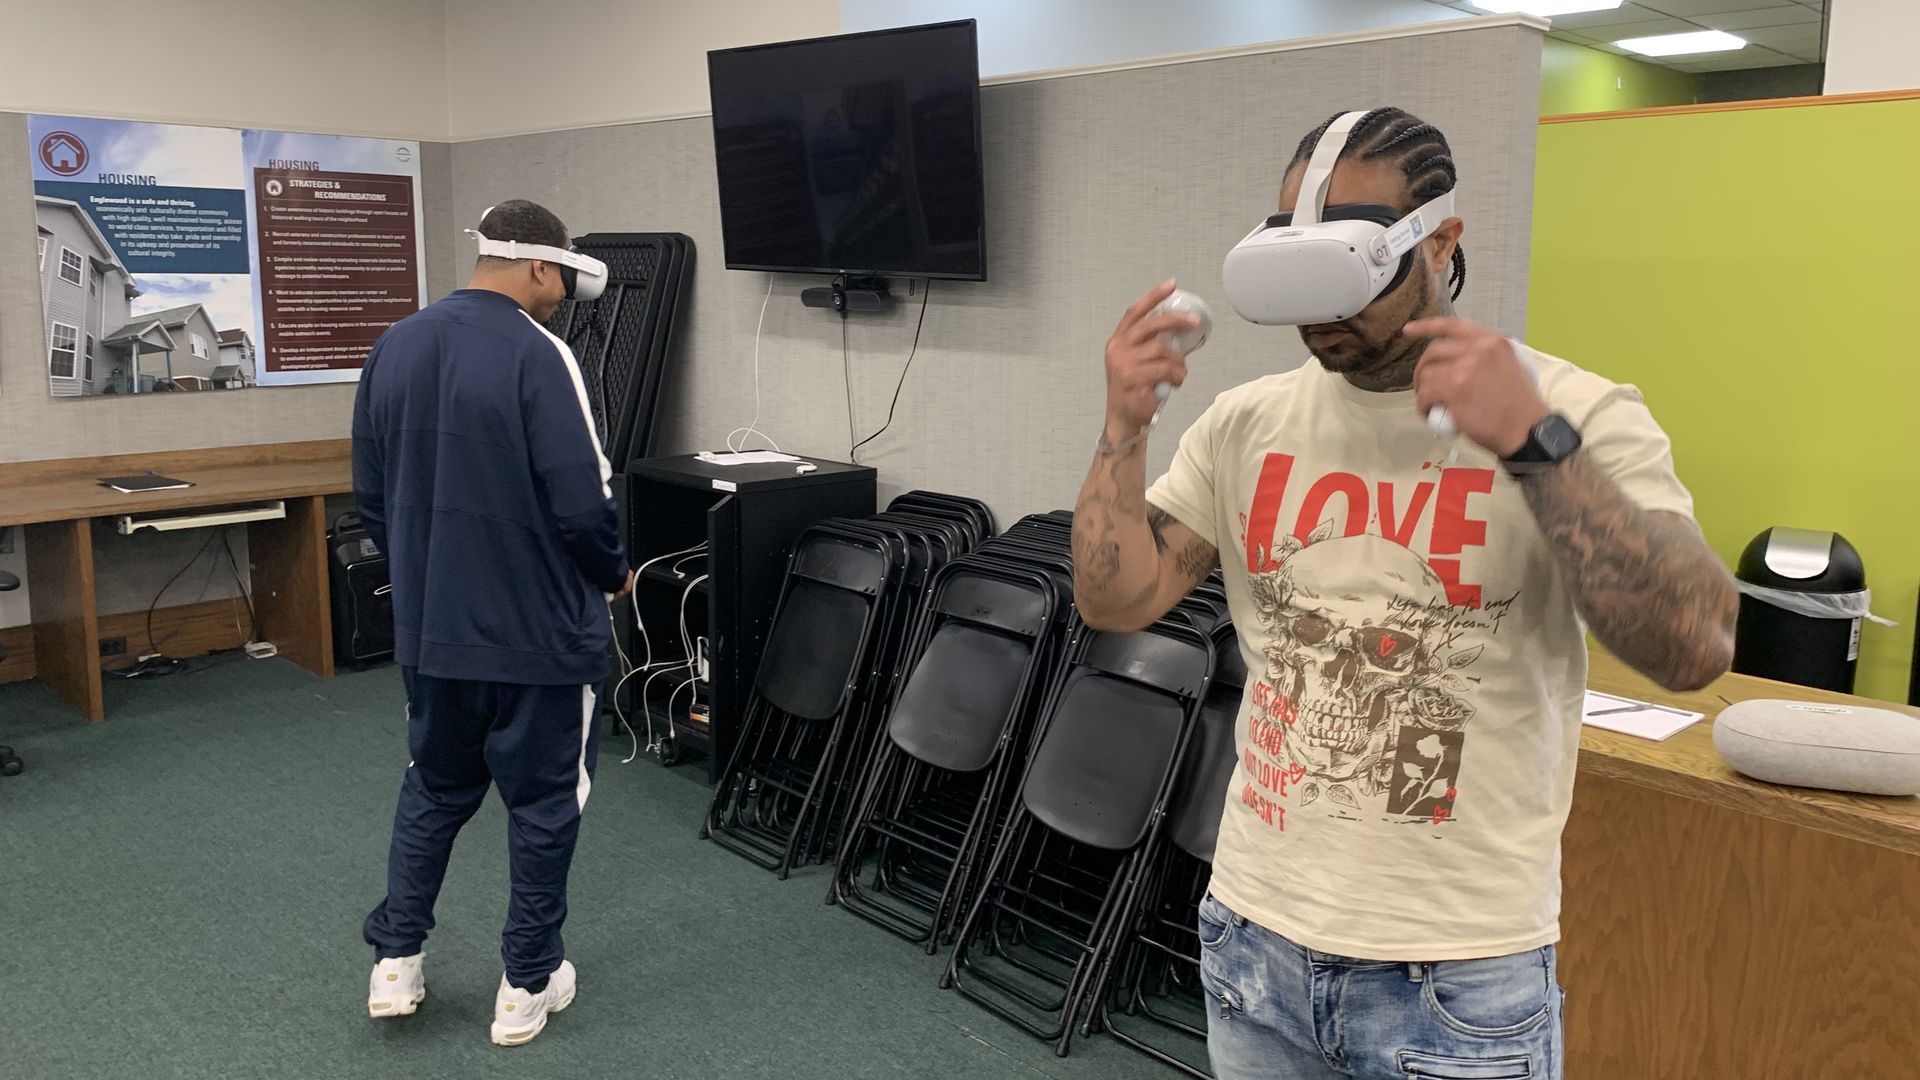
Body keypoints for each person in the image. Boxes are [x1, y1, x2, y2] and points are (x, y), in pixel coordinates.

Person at [1071, 107, 1737, 1079]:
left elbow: (1695, 645)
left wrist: (1532, 444)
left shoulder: (1576, 411)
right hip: (1257, 933)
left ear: (1443, 242)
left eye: (1349, 268)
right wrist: (1123, 428)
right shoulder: (1245, 424)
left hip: (1456, 972)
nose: (1323, 312)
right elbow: (1116, 600)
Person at [352, 199, 633, 1047]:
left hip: (434, 635)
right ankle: (527, 982)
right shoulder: (541, 354)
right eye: (560, 285)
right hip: (541, 639)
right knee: (546, 805)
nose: (559, 303)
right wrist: (613, 573)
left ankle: (394, 962)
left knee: (434, 788)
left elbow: (370, 493)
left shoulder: (395, 344)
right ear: (541, 268)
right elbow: (583, 502)